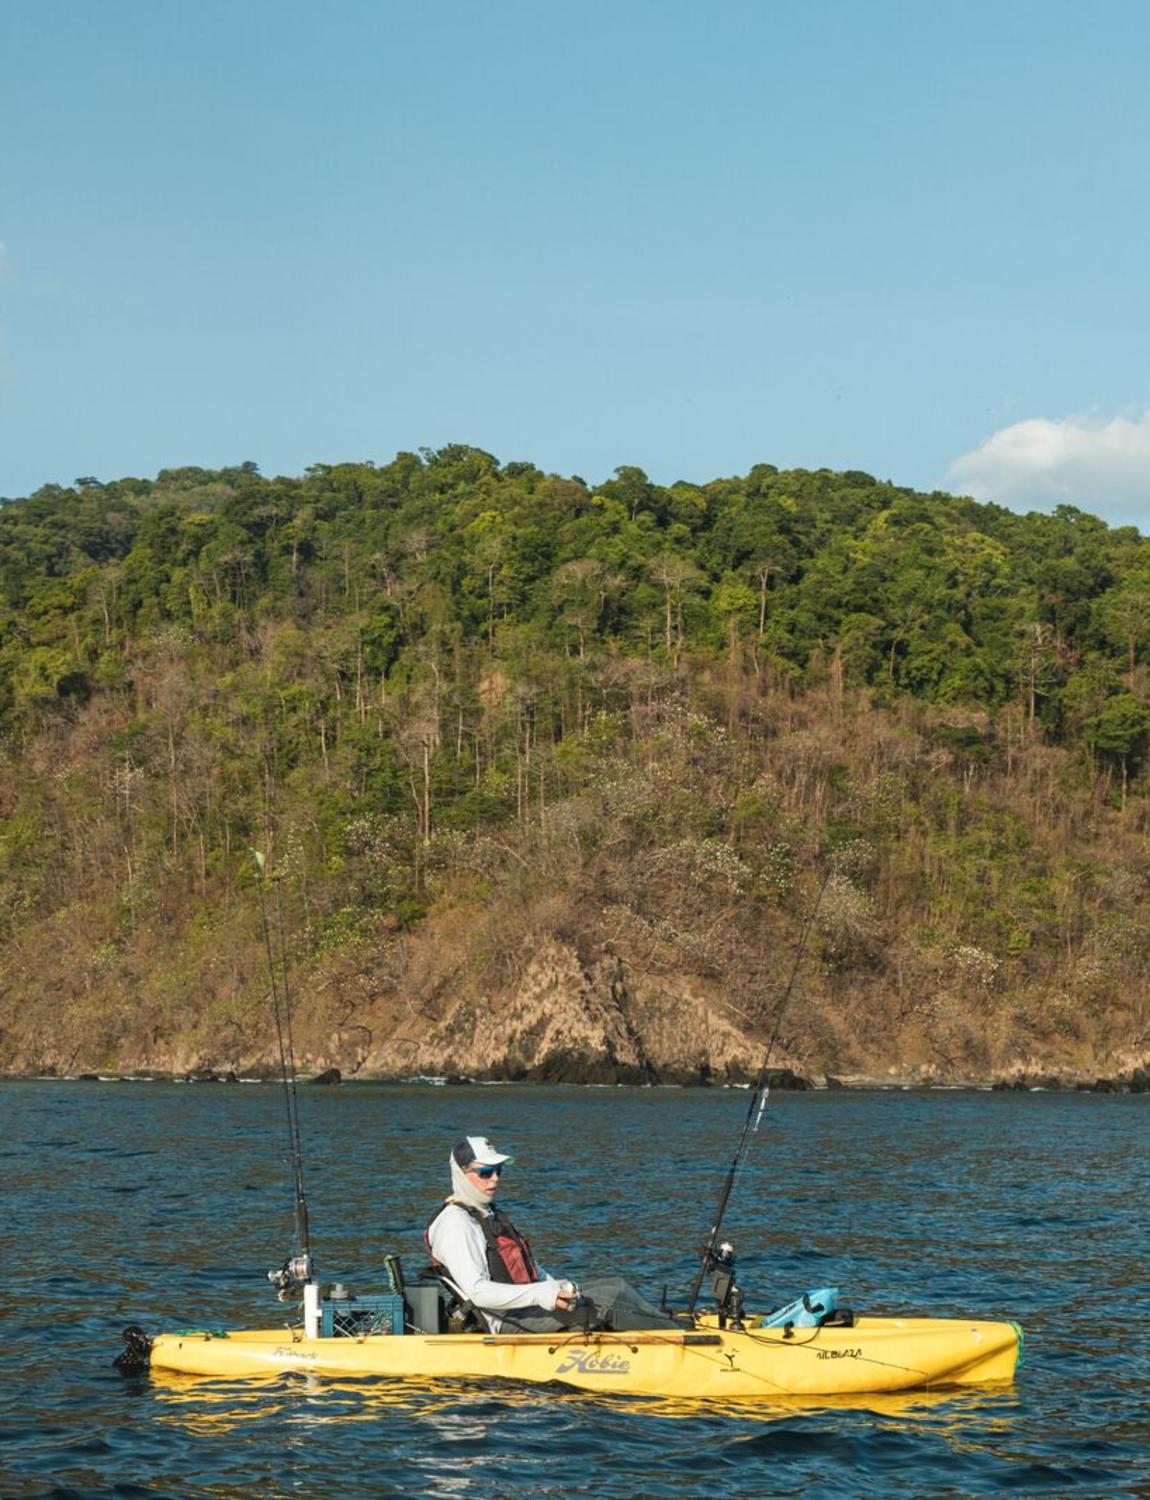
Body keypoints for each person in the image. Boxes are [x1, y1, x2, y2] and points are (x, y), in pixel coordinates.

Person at [425, 1134, 679, 1334]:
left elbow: (530, 1269)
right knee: (610, 1299)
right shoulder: (456, 1224)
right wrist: (541, 1294)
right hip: (505, 1321)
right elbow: (477, 1291)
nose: (495, 1179)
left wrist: (558, 1287)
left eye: (499, 1171)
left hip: (526, 1308)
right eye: (485, 1172)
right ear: (461, 1173)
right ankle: (682, 1342)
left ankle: (670, 1329)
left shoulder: (488, 1213)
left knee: (615, 1285)